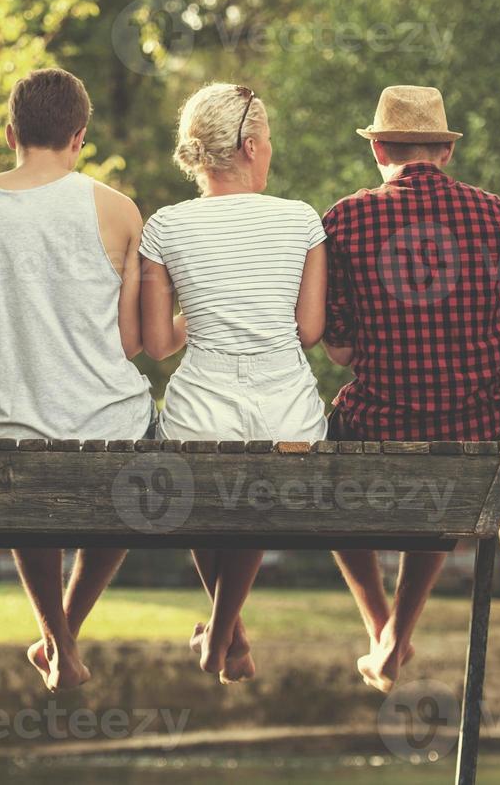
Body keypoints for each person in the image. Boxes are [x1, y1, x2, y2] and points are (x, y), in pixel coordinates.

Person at [0, 67, 154, 691]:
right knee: (131, 477)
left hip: (8, 427)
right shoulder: (117, 209)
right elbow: (132, 343)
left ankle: (58, 639)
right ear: (79, 137)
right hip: (114, 426)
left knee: (22, 454)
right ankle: (64, 636)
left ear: (10, 133)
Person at [321, 85, 500, 693]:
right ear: (446, 152)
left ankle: (382, 628)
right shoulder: (499, 215)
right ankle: (393, 637)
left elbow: (339, 350)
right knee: (446, 459)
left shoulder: (345, 217)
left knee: (326, 481)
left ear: (378, 148)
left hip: (377, 424)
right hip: (475, 431)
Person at [140, 83, 328, 684]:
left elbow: (159, 345)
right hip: (288, 415)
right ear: (250, 146)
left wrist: (202, 309)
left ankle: (225, 637)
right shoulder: (301, 220)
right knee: (258, 488)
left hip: (201, 413)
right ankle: (227, 637)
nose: (269, 152)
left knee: (203, 480)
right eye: (267, 142)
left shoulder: (165, 226)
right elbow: (307, 330)